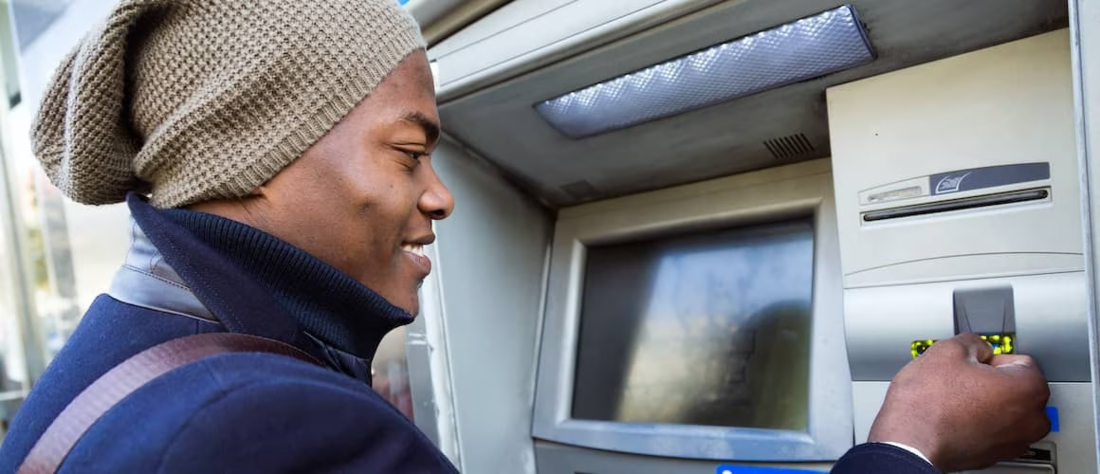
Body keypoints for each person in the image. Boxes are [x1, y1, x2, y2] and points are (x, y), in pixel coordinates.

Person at [0, 0, 1052, 472]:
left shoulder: (115, 364)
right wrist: (904, 446)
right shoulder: (269, 427)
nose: (443, 198)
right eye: (409, 152)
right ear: (259, 154)